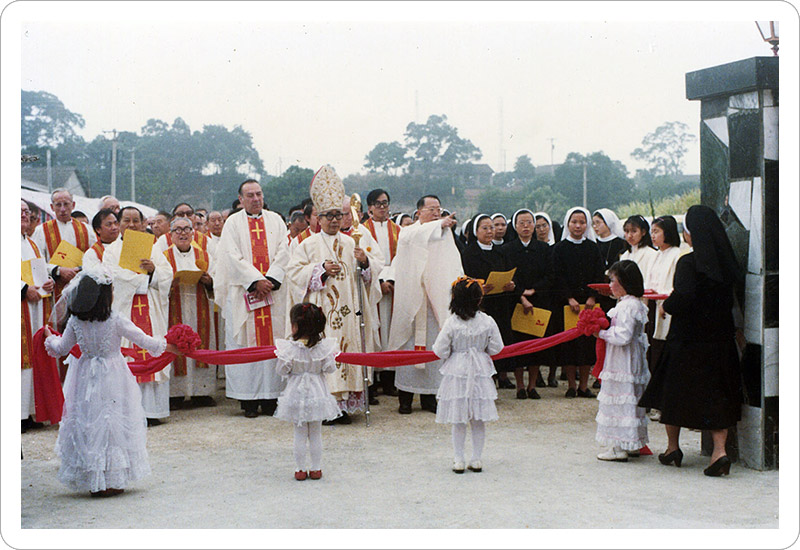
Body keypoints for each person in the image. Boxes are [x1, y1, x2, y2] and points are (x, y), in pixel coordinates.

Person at [43, 266, 180, 496]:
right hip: (114, 373)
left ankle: (93, 477)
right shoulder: (115, 319)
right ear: (106, 296)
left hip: (85, 374)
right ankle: (114, 479)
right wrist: (170, 346)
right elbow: (145, 341)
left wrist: (49, 338)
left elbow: (61, 349)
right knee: (112, 422)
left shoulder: (76, 320)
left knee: (89, 421)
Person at [639, 205, 742, 477]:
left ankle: (673, 447)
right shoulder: (728, 264)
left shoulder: (688, 262)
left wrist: (668, 304)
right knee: (717, 394)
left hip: (687, 340)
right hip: (719, 340)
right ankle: (719, 452)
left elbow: (682, 298)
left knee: (673, 393)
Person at [285, 167, 382, 423]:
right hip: (322, 313)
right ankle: (326, 408)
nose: (334, 220)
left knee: (348, 353)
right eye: (328, 216)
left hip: (349, 313)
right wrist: (320, 270)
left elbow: (366, 277)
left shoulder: (352, 242)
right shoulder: (307, 244)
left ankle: (344, 406)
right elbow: (294, 274)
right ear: (318, 218)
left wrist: (365, 263)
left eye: (339, 215)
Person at [213, 179, 290, 418]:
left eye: (259, 194)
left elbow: (284, 250)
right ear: (241, 199)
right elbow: (230, 256)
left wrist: (271, 280)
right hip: (244, 293)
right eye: (250, 195)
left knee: (273, 342)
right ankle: (248, 401)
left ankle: (271, 398)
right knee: (245, 344)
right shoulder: (233, 223)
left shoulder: (275, 220)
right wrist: (255, 281)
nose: (256, 199)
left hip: (272, 294)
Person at [387, 195, 463, 414]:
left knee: (433, 348)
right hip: (413, 300)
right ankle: (405, 399)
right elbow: (413, 237)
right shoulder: (409, 232)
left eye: (439, 209)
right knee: (409, 349)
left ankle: (430, 397)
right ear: (419, 212)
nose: (437, 213)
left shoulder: (444, 234)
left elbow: (454, 263)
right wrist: (439, 223)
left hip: (434, 302)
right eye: (431, 209)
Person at [103, 206, 174, 426]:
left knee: (152, 352)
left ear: (144, 224)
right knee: (128, 357)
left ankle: (153, 411)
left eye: (136, 220)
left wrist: (153, 271)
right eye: (127, 220)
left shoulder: (153, 248)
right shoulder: (111, 251)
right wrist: (142, 281)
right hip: (126, 311)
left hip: (151, 310)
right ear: (119, 224)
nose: (132, 224)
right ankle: (130, 413)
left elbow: (167, 273)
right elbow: (112, 276)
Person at [433, 276, 504, 474]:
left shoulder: (451, 323)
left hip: (457, 369)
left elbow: (440, 350)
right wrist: (482, 350)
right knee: (478, 417)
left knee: (459, 416)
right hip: (480, 368)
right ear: (479, 300)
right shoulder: (488, 321)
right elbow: (497, 347)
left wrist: (453, 353)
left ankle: (458, 459)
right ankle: (477, 458)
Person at [274, 303, 342, 481]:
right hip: (317, 393)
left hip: (296, 394)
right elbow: (330, 368)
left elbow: (281, 370)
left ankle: (300, 469)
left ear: (296, 326)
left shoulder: (289, 349)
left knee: (299, 433)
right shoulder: (323, 348)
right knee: (316, 433)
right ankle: (316, 468)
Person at [593, 260, 650, 462]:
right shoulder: (636, 304)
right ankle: (632, 442)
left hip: (622, 360)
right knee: (631, 399)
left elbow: (623, 336)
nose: (609, 285)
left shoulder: (626, 306)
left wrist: (600, 333)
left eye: (613, 281)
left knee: (619, 398)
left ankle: (618, 446)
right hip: (632, 358)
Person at [163, 217, 217, 409]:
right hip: (174, 305)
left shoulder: (205, 256)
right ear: (170, 235)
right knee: (175, 344)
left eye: (186, 229)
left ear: (193, 233)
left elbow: (217, 279)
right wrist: (168, 283)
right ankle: (175, 394)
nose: (182, 233)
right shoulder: (163, 256)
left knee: (201, 341)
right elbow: (158, 283)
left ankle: (201, 392)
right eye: (177, 230)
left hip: (199, 303)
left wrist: (209, 281)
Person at [552, 207, 604, 398]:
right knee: (569, 344)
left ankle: (584, 385)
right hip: (567, 305)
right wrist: (569, 297)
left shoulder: (593, 248)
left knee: (587, 345)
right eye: (574, 222)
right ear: (568, 223)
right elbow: (557, 276)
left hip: (589, 305)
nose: (578, 225)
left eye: (582, 222)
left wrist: (592, 296)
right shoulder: (559, 249)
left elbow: (599, 274)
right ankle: (571, 385)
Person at [460, 214, 516, 391]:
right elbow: (464, 279)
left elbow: (509, 272)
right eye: (485, 228)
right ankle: (485, 378)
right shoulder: (468, 254)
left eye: (491, 227)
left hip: (500, 302)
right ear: (475, 231)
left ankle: (502, 375)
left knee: (500, 338)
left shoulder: (502, 251)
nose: (489, 231)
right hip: (480, 304)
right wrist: (478, 289)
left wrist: (511, 285)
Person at [503, 209, 555, 397]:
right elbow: (508, 275)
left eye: (529, 222)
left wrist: (534, 290)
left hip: (538, 301)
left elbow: (550, 275)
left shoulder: (544, 249)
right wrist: (521, 295)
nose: (526, 226)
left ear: (534, 226)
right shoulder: (507, 250)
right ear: (515, 226)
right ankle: (520, 386)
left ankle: (532, 385)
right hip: (515, 302)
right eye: (521, 223)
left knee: (536, 345)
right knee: (518, 346)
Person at [362, 188, 402, 397]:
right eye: (378, 204)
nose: (383, 208)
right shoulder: (362, 231)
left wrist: (390, 280)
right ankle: (373, 381)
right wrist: (379, 281)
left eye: (385, 203)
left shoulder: (397, 231)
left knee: (390, 331)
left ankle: (389, 380)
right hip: (373, 287)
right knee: (374, 331)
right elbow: (367, 261)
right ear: (369, 207)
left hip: (392, 288)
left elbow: (400, 258)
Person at [21, 201, 55, 433]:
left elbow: (38, 271)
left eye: (27, 212)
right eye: (20, 211)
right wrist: (23, 289)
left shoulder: (31, 243)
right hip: (18, 306)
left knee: (31, 358)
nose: (25, 215)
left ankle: (28, 411)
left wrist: (47, 282)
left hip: (34, 308)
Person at [644, 216, 684, 378]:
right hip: (652, 305)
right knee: (652, 348)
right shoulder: (655, 255)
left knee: (664, 347)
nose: (653, 236)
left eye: (656, 231)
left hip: (666, 306)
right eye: (651, 232)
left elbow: (677, 284)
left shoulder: (677, 254)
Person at [532, 211, 559, 387]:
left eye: (544, 225)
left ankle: (552, 374)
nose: (542, 229)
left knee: (554, 337)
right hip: (537, 296)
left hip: (554, 297)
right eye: (538, 226)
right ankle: (538, 375)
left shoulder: (558, 246)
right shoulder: (533, 248)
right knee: (537, 336)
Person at [620, 215, 658, 285]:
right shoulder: (624, 256)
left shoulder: (652, 254)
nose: (629, 235)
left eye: (634, 231)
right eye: (626, 231)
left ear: (643, 232)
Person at [592, 209, 627, 274]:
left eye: (598, 222)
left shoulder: (621, 243)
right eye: (593, 223)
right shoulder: (594, 243)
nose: (595, 226)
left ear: (608, 222)